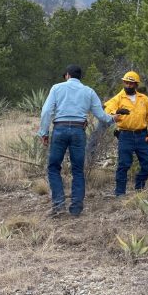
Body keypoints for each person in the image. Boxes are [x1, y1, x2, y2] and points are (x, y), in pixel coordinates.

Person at [38, 64, 119, 217]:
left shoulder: (56, 88)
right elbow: (101, 116)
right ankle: (75, 209)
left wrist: (44, 133)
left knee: (54, 168)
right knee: (77, 170)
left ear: (67, 75)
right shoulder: (89, 92)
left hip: (60, 129)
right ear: (79, 77)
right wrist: (113, 119)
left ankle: (59, 205)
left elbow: (46, 111)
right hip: (78, 131)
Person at [103, 70, 148, 196]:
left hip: (142, 136)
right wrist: (117, 110)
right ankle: (120, 193)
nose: (128, 85)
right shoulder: (118, 98)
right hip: (125, 135)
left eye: (131, 83)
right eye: (126, 82)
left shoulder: (144, 99)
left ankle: (139, 187)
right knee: (124, 165)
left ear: (136, 84)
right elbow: (106, 109)